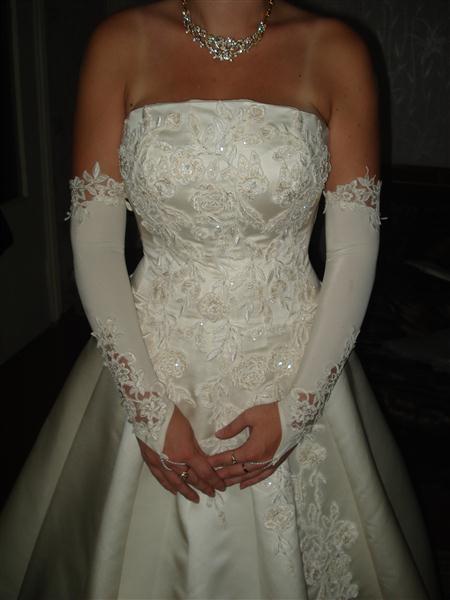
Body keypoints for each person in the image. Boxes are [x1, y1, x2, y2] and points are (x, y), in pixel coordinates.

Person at [0, 1, 441, 598]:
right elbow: (97, 243)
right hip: (151, 355)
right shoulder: (120, 43)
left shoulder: (335, 48)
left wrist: (300, 408)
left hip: (294, 356)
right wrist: (147, 408)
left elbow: (353, 249)